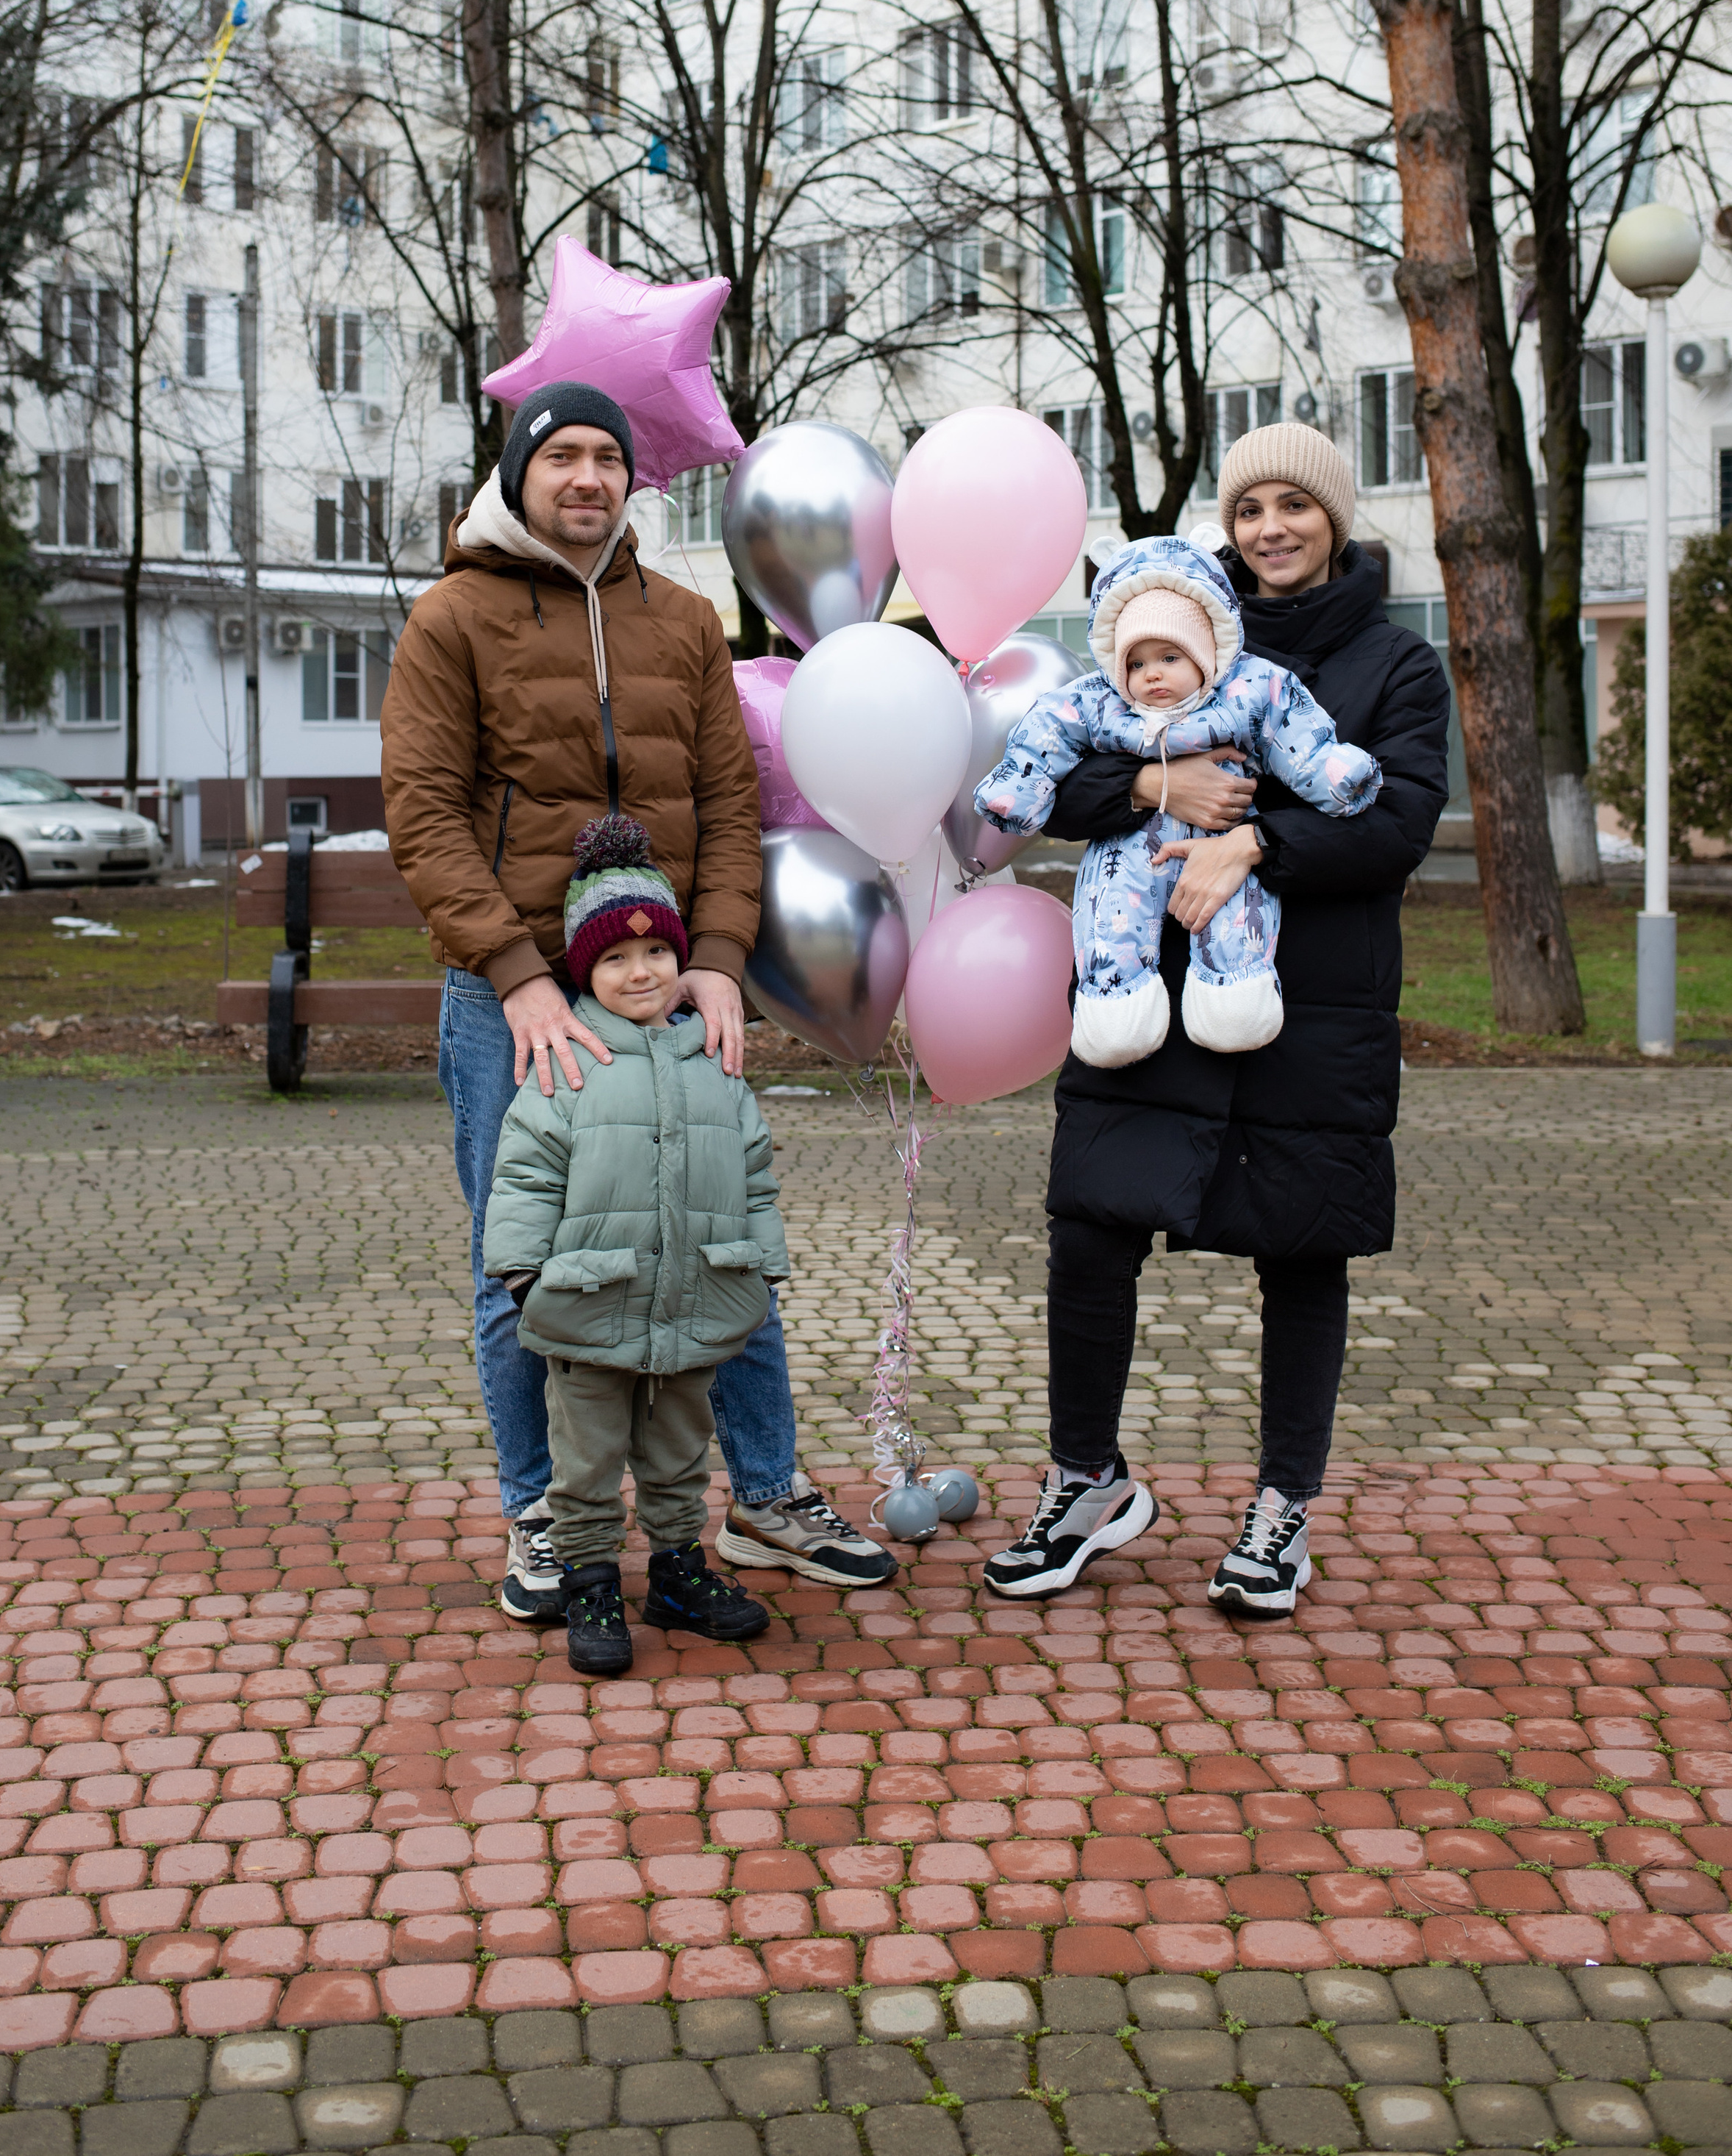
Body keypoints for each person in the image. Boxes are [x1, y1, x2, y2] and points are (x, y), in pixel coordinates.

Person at [382, 379, 896, 1622]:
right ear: (519, 475)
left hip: (668, 991)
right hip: (517, 1002)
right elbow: (423, 810)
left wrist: (719, 955)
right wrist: (515, 975)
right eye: (561, 457)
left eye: (608, 459)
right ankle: (541, 1521)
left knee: (722, 1243)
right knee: (525, 1267)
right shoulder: (454, 617)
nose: (587, 479)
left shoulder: (682, 619)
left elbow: (731, 804)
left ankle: (765, 1496)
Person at [982, 423, 1450, 1619]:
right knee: (1089, 1230)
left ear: (1335, 521)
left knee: (1302, 1254)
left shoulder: (1398, 667)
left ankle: (1280, 1509)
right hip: (1150, 995)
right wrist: (1155, 785)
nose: (1271, 530)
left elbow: (1394, 823)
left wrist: (1253, 840)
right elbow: (1067, 774)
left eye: (1295, 506)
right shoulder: (1159, 624)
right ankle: (1087, 1478)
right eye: (1250, 511)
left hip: (1313, 1008)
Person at [484, 815, 787, 1677]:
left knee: (677, 1453)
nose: (639, 971)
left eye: (655, 953)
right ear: (586, 970)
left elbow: (754, 1172)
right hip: (586, 1304)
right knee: (584, 1462)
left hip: (695, 1298)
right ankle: (587, 1580)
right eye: (615, 958)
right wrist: (523, 1279)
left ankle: (676, 1573)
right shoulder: (567, 1063)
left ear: (680, 960)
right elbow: (527, 1177)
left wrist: (764, 1267)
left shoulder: (713, 1065)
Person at [974, 534, 1382, 1068]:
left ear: (1206, 650)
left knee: (1236, 915)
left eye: (1170, 656)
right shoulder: (1100, 700)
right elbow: (1048, 731)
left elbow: (1296, 732)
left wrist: (1335, 775)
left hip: (1224, 844)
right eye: (1138, 663)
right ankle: (1115, 1006)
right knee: (1111, 916)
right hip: (1128, 849)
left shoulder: (1248, 688)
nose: (1153, 675)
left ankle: (1234, 995)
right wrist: (1018, 789)